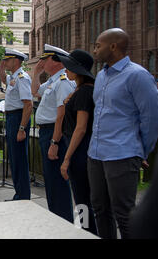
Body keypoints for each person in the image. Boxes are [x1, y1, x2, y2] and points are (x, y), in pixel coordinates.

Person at [87, 28, 158, 239]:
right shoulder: (100, 76)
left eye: (98, 46)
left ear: (114, 46)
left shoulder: (137, 76)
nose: (95, 50)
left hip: (122, 154)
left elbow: (151, 118)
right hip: (96, 154)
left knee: (124, 214)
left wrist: (140, 152)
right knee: (99, 208)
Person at [31, 44, 75, 223]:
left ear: (57, 62)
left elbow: (61, 115)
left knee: (57, 181)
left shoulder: (63, 81)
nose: (41, 62)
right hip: (46, 133)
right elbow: (35, 91)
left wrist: (55, 143)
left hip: (53, 134)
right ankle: (55, 217)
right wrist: (36, 74)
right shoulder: (52, 80)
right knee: (50, 180)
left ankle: (63, 221)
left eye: (45, 58)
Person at [56, 49, 98, 235]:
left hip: (79, 149)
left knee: (82, 198)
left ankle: (87, 232)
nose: (65, 69)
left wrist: (66, 159)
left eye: (69, 66)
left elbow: (80, 128)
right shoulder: (81, 90)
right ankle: (85, 230)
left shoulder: (83, 92)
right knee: (82, 198)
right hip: (79, 147)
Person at [0, 48, 33, 200]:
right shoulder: (13, 77)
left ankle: (23, 195)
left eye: (7, 59)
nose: (4, 61)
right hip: (12, 118)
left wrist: (21, 128)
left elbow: (28, 104)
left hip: (19, 118)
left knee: (19, 158)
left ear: (16, 61)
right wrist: (1, 68)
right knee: (13, 157)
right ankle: (19, 192)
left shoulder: (22, 77)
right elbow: (3, 79)